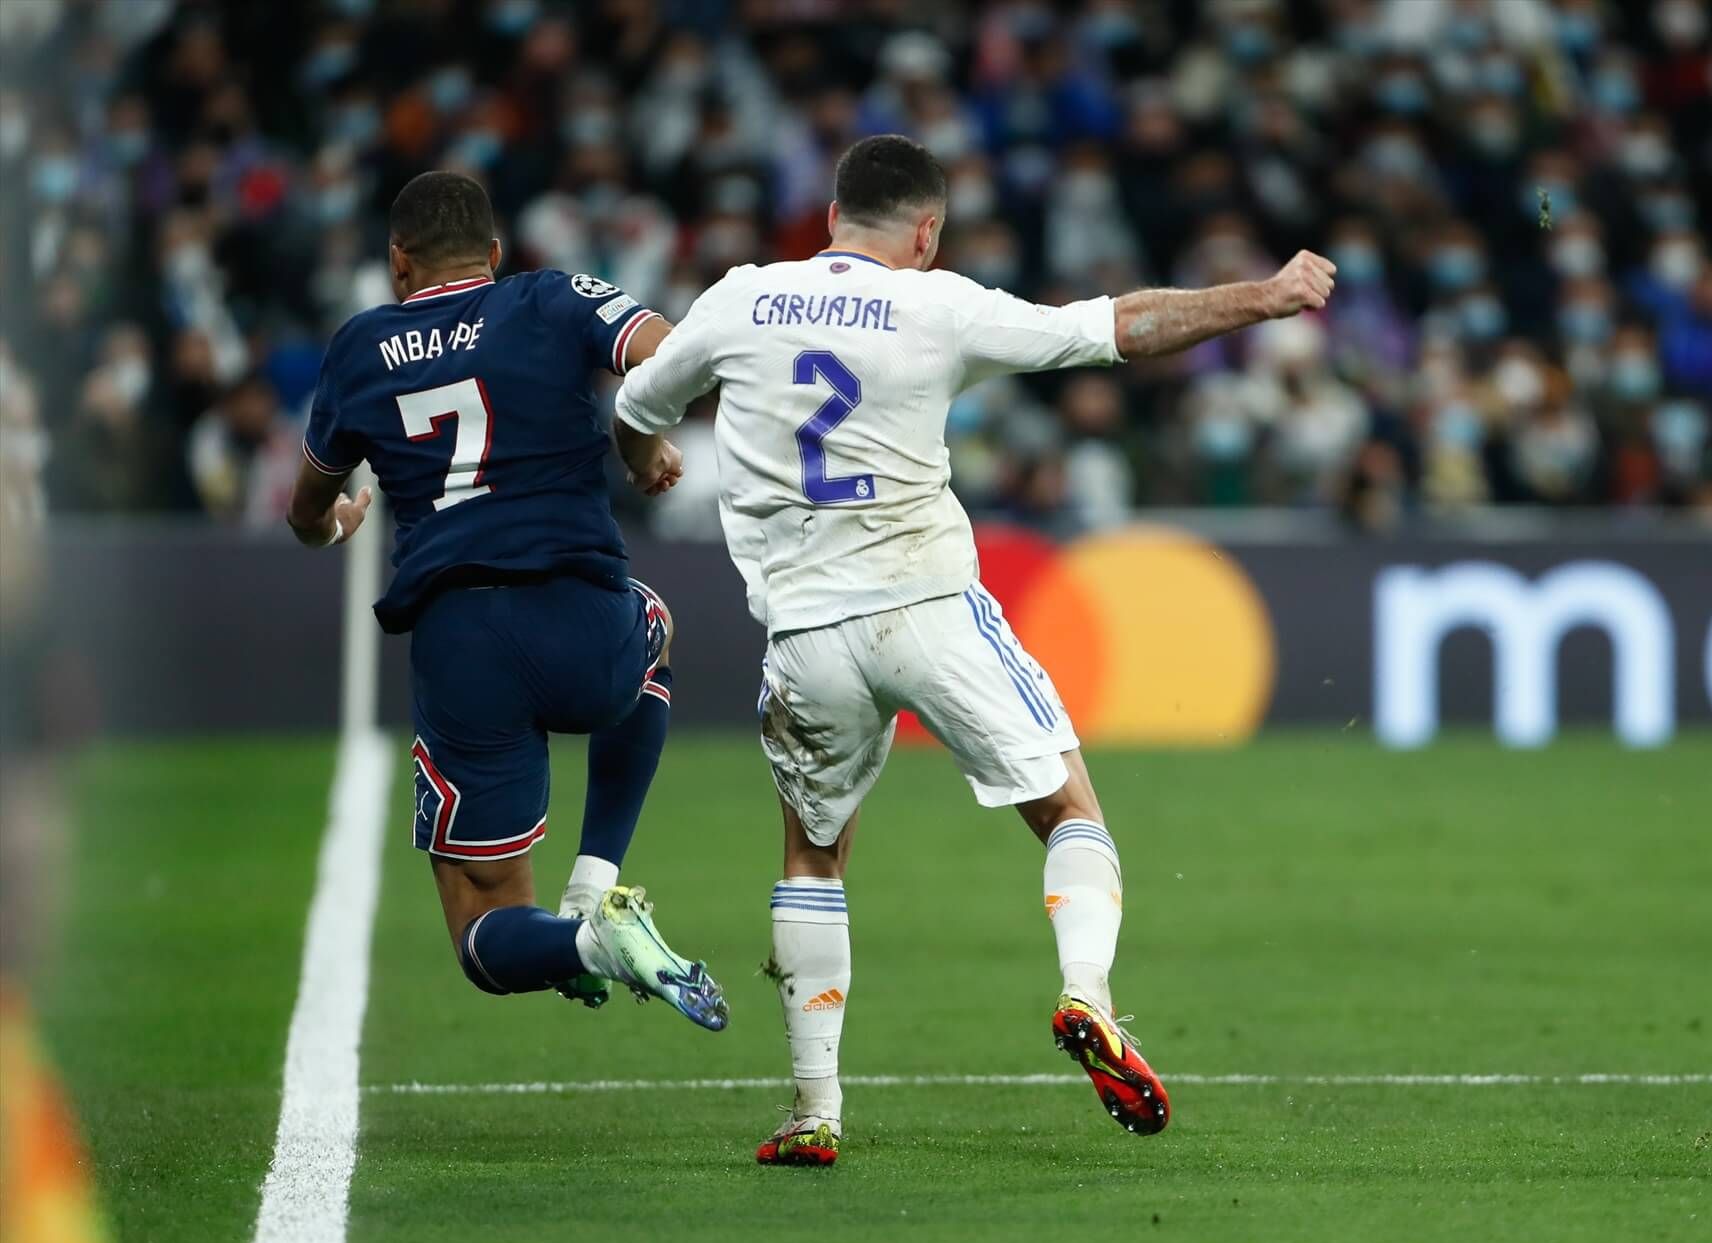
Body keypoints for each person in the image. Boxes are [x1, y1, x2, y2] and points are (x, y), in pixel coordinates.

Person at [614, 134, 1336, 1164]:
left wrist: (650, 458)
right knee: (1068, 806)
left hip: (805, 630)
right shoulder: (941, 302)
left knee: (815, 852)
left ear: (829, 220)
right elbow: (1115, 329)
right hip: (929, 609)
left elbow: (636, 408)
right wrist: (1257, 297)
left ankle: (814, 1108)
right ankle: (1089, 995)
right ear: (927, 231)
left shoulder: (739, 298)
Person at [285, 172, 726, 1031]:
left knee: (484, 926)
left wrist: (335, 526)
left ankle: (590, 944)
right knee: (658, 625)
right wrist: (639, 445)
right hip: (587, 619)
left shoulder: (360, 347)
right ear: (493, 252)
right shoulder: (552, 298)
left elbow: (305, 509)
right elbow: (670, 351)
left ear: (397, 263)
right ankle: (597, 885)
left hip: (462, 642)